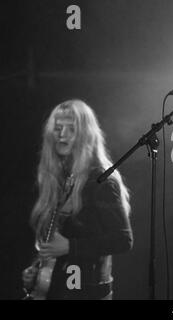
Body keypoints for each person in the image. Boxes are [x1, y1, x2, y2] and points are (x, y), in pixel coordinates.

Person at [22, 99, 133, 300]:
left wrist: (70, 247)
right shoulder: (62, 179)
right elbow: (58, 243)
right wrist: (38, 273)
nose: (62, 135)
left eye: (71, 129)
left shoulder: (101, 181)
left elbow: (123, 240)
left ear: (85, 135)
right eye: (57, 128)